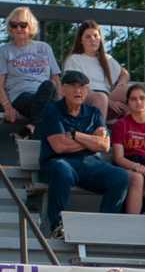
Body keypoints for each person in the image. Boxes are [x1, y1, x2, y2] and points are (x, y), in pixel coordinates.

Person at [36, 71, 128, 235]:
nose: (78, 91)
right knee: (61, 169)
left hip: (88, 164)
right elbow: (59, 146)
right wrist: (91, 141)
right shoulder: (52, 110)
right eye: (73, 86)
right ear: (63, 89)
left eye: (82, 87)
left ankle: (105, 227)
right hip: (57, 162)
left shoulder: (94, 113)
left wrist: (76, 135)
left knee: (120, 176)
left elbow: (104, 145)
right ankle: (57, 227)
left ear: (87, 91)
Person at [0, 7, 59, 139]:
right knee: (49, 110)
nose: (18, 29)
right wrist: (7, 107)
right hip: (21, 97)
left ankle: (31, 127)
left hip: (45, 93)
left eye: (23, 25)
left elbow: (56, 78)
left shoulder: (44, 48)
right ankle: (33, 128)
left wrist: (62, 102)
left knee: (48, 86)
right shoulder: (3, 51)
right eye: (14, 25)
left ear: (31, 26)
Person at [107, 83, 145, 216]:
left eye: (142, 98)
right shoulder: (120, 125)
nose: (138, 102)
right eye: (133, 99)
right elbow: (118, 157)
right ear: (128, 103)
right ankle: (132, 223)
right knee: (137, 178)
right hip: (128, 164)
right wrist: (135, 166)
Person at [64, 21, 134, 118]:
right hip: (87, 97)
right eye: (88, 37)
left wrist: (120, 85)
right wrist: (109, 102)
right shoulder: (75, 59)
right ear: (81, 40)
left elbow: (124, 74)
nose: (93, 39)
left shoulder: (107, 58)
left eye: (96, 36)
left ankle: (135, 127)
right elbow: (76, 86)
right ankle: (100, 130)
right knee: (101, 98)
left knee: (134, 91)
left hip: (107, 95)